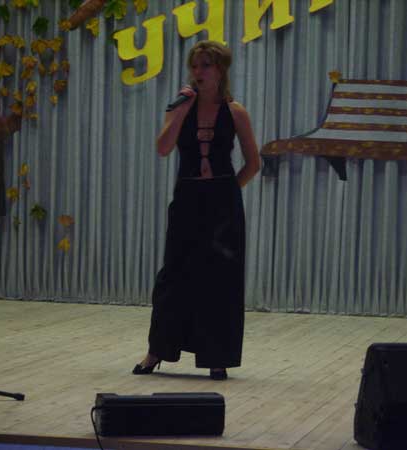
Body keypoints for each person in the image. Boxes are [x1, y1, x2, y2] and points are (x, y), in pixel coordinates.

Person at [133, 40, 261, 380]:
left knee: (220, 279)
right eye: (194, 65)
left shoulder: (235, 111)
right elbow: (163, 148)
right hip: (187, 197)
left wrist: (227, 191)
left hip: (222, 201)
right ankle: (157, 351)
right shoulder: (179, 106)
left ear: (220, 71)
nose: (198, 72)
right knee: (174, 275)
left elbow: (253, 163)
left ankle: (217, 356)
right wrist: (181, 110)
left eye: (205, 65)